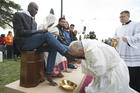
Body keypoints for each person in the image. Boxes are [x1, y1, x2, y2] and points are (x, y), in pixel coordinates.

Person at [12, 2, 75, 86]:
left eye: (37, 10)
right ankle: (67, 54)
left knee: (53, 47)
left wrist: (43, 41)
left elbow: (34, 36)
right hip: (23, 44)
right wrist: (39, 32)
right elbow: (19, 32)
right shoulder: (18, 15)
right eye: (35, 9)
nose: (37, 11)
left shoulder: (34, 22)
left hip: (33, 44)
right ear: (29, 7)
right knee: (47, 34)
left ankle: (49, 73)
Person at [69, 39, 138, 93]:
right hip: (109, 66)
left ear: (80, 50)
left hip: (113, 72)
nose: (74, 55)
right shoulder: (87, 44)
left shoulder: (93, 51)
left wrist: (82, 62)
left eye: (74, 53)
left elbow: (98, 71)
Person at [114, 10, 140, 92]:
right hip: (122, 55)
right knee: (124, 76)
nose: (121, 18)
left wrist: (128, 39)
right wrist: (113, 39)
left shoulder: (136, 24)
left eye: (123, 16)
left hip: (133, 57)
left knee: (134, 78)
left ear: (128, 16)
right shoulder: (118, 28)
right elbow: (115, 36)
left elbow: (138, 36)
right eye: (120, 17)